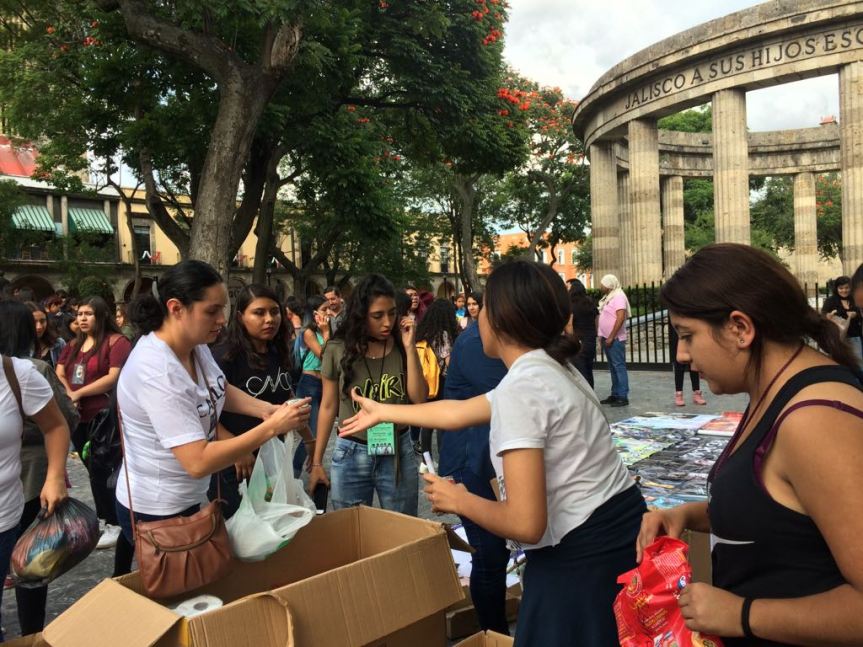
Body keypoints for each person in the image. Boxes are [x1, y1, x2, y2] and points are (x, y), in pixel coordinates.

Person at [340, 260, 646, 646]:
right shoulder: (548, 368)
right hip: (613, 536)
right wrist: (384, 411)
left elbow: (525, 523)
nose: (476, 316)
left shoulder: (524, 387)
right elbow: (457, 412)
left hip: (580, 558)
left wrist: (459, 500)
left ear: (500, 318)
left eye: (482, 307)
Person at [637, 243, 863, 646]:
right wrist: (687, 514)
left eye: (687, 336)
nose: (682, 354)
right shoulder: (773, 389)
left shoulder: (815, 420)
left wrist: (742, 614)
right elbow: (784, 517)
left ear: (740, 328)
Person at [114, 261, 311, 547]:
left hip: (190, 497)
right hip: (158, 510)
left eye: (223, 309)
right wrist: (271, 427)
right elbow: (197, 461)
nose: (221, 320)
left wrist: (266, 410)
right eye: (212, 311)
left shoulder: (195, 345)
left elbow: (220, 388)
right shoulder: (157, 370)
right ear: (176, 308)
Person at [308, 274, 427, 515]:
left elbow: (419, 398)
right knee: (354, 530)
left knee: (401, 528)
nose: (387, 323)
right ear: (361, 315)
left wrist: (410, 348)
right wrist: (317, 462)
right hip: (352, 451)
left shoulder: (401, 344)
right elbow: (328, 406)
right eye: (378, 316)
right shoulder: (337, 349)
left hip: (398, 449)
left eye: (392, 313)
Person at [0, 301, 78, 635]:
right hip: (28, 477)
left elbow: (61, 423)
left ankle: (30, 633)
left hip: (14, 499)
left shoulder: (21, 372)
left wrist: (55, 476)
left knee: (31, 560)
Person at [437, 312, 510, 635]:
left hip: (490, 458)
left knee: (496, 551)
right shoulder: (477, 343)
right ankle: (494, 634)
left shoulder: (502, 338)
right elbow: (515, 391)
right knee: (490, 554)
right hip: (471, 462)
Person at [210, 284, 309, 518]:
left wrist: (310, 440)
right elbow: (208, 410)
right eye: (259, 312)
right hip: (237, 462)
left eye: (274, 312)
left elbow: (285, 396)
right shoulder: (224, 355)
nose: (269, 319)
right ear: (240, 317)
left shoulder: (278, 351)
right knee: (243, 527)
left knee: (275, 524)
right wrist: (237, 449)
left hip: (273, 455)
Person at [55, 296, 132, 551]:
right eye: (80, 314)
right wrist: (70, 394)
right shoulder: (73, 344)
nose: (82, 318)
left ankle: (115, 520)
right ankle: (104, 517)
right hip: (79, 416)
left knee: (107, 468)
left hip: (105, 417)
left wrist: (79, 393)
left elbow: (113, 376)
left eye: (88, 314)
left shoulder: (116, 342)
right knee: (92, 469)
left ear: (101, 316)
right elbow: (60, 371)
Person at [292, 295, 330, 477]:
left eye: (329, 308)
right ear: (315, 313)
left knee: (320, 430)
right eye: (324, 309)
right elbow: (324, 355)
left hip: (324, 383)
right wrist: (326, 332)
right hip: (309, 384)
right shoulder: (308, 332)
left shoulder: (325, 331)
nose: (328, 312)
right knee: (312, 431)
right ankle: (295, 470)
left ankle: (313, 464)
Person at [415, 298, 459, 455]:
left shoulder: (423, 332)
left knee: (427, 422)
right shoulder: (443, 335)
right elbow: (448, 361)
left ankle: (426, 459)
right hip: (441, 381)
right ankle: (442, 455)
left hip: (426, 380)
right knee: (441, 422)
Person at [597, 274, 631, 407]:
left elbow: (620, 317)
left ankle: (623, 396)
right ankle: (615, 394)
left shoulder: (619, 297)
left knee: (619, 366)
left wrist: (611, 336)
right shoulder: (609, 297)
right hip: (607, 337)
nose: (601, 286)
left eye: (603, 284)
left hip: (615, 338)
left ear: (609, 285)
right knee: (613, 367)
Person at [821, 275, 862, 359]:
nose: (844, 290)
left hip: (854, 336)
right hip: (838, 338)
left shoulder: (854, 299)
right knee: (839, 361)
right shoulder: (831, 301)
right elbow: (823, 315)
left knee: (858, 361)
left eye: (847, 288)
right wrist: (828, 316)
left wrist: (856, 315)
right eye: (841, 288)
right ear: (836, 289)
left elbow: (860, 316)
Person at [567, 279, 597, 388]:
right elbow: (596, 320)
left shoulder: (571, 304)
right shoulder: (590, 302)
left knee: (580, 371)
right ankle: (591, 392)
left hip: (579, 339)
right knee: (589, 368)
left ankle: (584, 395)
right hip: (590, 339)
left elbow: (569, 325)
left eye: (568, 287)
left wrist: (572, 340)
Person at [668, 325, 707, 406]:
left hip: (692, 337)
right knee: (679, 366)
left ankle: (697, 393)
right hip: (679, 337)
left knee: (693, 365)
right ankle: (679, 394)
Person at [27, 302, 66, 369]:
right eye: (33, 322)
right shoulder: (18, 348)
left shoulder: (58, 343)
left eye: (42, 321)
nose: (39, 327)